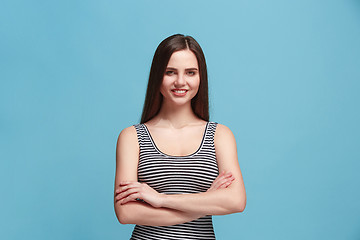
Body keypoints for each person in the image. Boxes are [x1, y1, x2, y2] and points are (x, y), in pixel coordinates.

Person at [114, 34, 246, 240]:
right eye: (170, 72)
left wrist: (160, 200)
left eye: (190, 72)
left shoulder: (220, 135)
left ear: (200, 77)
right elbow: (126, 213)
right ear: (157, 76)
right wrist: (207, 201)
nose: (180, 81)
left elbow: (236, 201)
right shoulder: (132, 137)